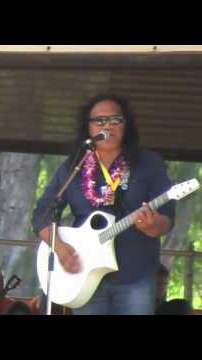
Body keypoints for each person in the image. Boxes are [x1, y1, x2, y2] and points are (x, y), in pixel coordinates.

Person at [32, 94, 175, 315]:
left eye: (115, 120)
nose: (107, 125)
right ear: (88, 128)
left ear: (126, 125)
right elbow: (42, 214)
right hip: (85, 276)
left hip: (135, 276)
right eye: (99, 121)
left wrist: (152, 225)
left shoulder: (149, 163)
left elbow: (167, 218)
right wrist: (60, 249)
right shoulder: (74, 167)